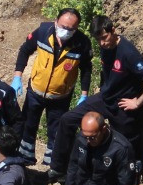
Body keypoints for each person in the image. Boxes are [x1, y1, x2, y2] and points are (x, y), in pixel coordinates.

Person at [47, 16, 143, 179]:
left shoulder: (128, 52)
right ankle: (58, 168)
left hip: (123, 105)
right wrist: (101, 87)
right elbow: (106, 71)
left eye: (104, 38)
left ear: (113, 31)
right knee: (67, 119)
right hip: (105, 98)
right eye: (98, 39)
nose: (102, 43)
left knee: (128, 148)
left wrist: (137, 102)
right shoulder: (105, 48)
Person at [11, 9, 92, 163]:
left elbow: (86, 69)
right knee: (28, 126)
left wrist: (84, 94)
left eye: (71, 29)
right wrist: (17, 77)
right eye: (63, 26)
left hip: (60, 96)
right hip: (35, 91)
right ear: (56, 22)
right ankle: (24, 160)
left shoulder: (82, 43)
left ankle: (51, 165)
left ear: (77, 28)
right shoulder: (43, 32)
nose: (66, 31)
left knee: (56, 132)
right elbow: (24, 50)